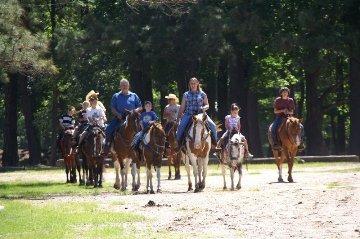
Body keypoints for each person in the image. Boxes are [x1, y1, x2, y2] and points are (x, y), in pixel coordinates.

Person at [103, 79, 142, 155]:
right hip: (119, 118)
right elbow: (112, 108)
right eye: (123, 85)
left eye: (126, 85)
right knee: (108, 129)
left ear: (129, 86)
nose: (124, 86)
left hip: (132, 119)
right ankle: (107, 147)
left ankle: (141, 148)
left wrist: (134, 111)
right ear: (120, 86)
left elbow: (140, 107)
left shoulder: (134, 95)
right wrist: (118, 114)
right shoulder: (116, 96)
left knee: (142, 130)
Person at [176, 77, 217, 147]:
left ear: (197, 83)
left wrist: (204, 108)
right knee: (181, 126)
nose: (193, 85)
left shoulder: (202, 94)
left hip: (200, 114)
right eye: (191, 83)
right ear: (189, 84)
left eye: (194, 83)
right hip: (189, 114)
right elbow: (182, 107)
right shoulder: (186, 94)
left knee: (213, 125)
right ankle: (178, 144)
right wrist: (178, 118)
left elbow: (207, 105)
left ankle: (215, 142)